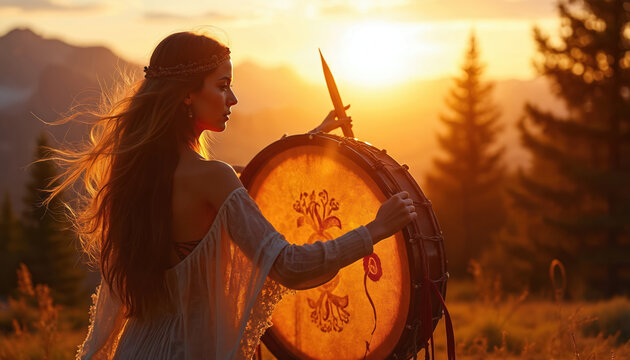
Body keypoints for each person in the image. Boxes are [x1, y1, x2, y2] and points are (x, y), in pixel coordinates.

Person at [44, 30, 416, 360]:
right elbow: (289, 265)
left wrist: (313, 138)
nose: (233, 98)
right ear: (187, 95)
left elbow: (250, 185)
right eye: (222, 86)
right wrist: (375, 230)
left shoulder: (139, 173)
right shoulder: (210, 177)